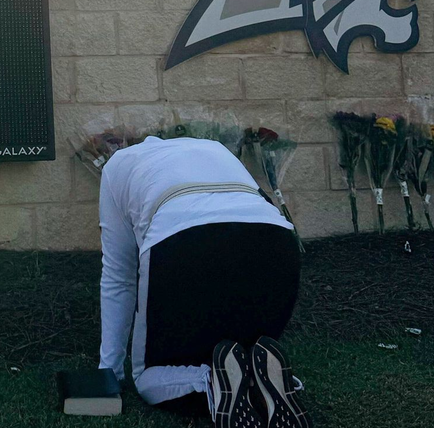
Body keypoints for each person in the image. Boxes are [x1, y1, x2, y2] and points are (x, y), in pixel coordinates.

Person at [98, 134, 310, 428]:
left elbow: (119, 276)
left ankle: (211, 382)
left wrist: (108, 372)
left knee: (147, 378)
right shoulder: (214, 147)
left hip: (184, 243)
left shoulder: (116, 165)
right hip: (275, 242)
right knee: (244, 348)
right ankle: (263, 382)